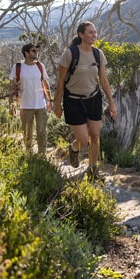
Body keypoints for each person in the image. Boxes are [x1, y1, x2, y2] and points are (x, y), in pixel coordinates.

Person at [54, 21, 117, 181]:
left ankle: (93, 170)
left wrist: (111, 102)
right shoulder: (70, 54)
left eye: (95, 32)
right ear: (81, 35)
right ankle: (74, 148)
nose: (94, 35)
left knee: (95, 136)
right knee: (83, 140)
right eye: (90, 32)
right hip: (73, 101)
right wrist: (57, 104)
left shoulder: (98, 54)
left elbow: (103, 79)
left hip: (93, 99)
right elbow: (61, 80)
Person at [9, 43, 53, 156]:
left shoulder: (40, 66)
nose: (36, 53)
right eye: (33, 51)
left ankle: (42, 155)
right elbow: (12, 86)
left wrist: (49, 100)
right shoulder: (18, 67)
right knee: (27, 133)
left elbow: (45, 83)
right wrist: (11, 104)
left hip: (40, 104)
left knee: (42, 132)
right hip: (25, 105)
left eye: (36, 51)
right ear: (26, 53)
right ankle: (29, 155)